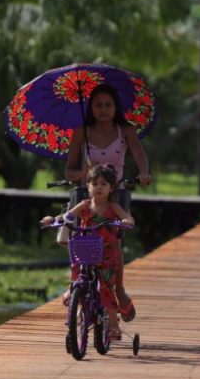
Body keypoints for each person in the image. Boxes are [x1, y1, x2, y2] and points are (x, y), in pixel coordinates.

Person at [63, 83, 151, 322]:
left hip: (116, 192)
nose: (103, 109)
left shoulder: (126, 130)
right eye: (98, 105)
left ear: (115, 108)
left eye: (108, 105)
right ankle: (74, 282)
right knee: (75, 235)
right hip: (86, 192)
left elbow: (140, 155)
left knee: (115, 242)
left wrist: (143, 172)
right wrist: (83, 174)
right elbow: (69, 171)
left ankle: (118, 289)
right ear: (91, 107)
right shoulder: (82, 132)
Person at [41, 164, 135, 341]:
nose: (99, 187)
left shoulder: (113, 207)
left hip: (107, 252)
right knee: (76, 265)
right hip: (86, 247)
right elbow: (67, 216)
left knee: (107, 288)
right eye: (95, 183)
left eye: (104, 184)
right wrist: (53, 219)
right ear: (88, 187)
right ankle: (73, 288)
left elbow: (127, 217)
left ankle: (114, 326)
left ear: (111, 188)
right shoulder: (84, 205)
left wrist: (126, 221)